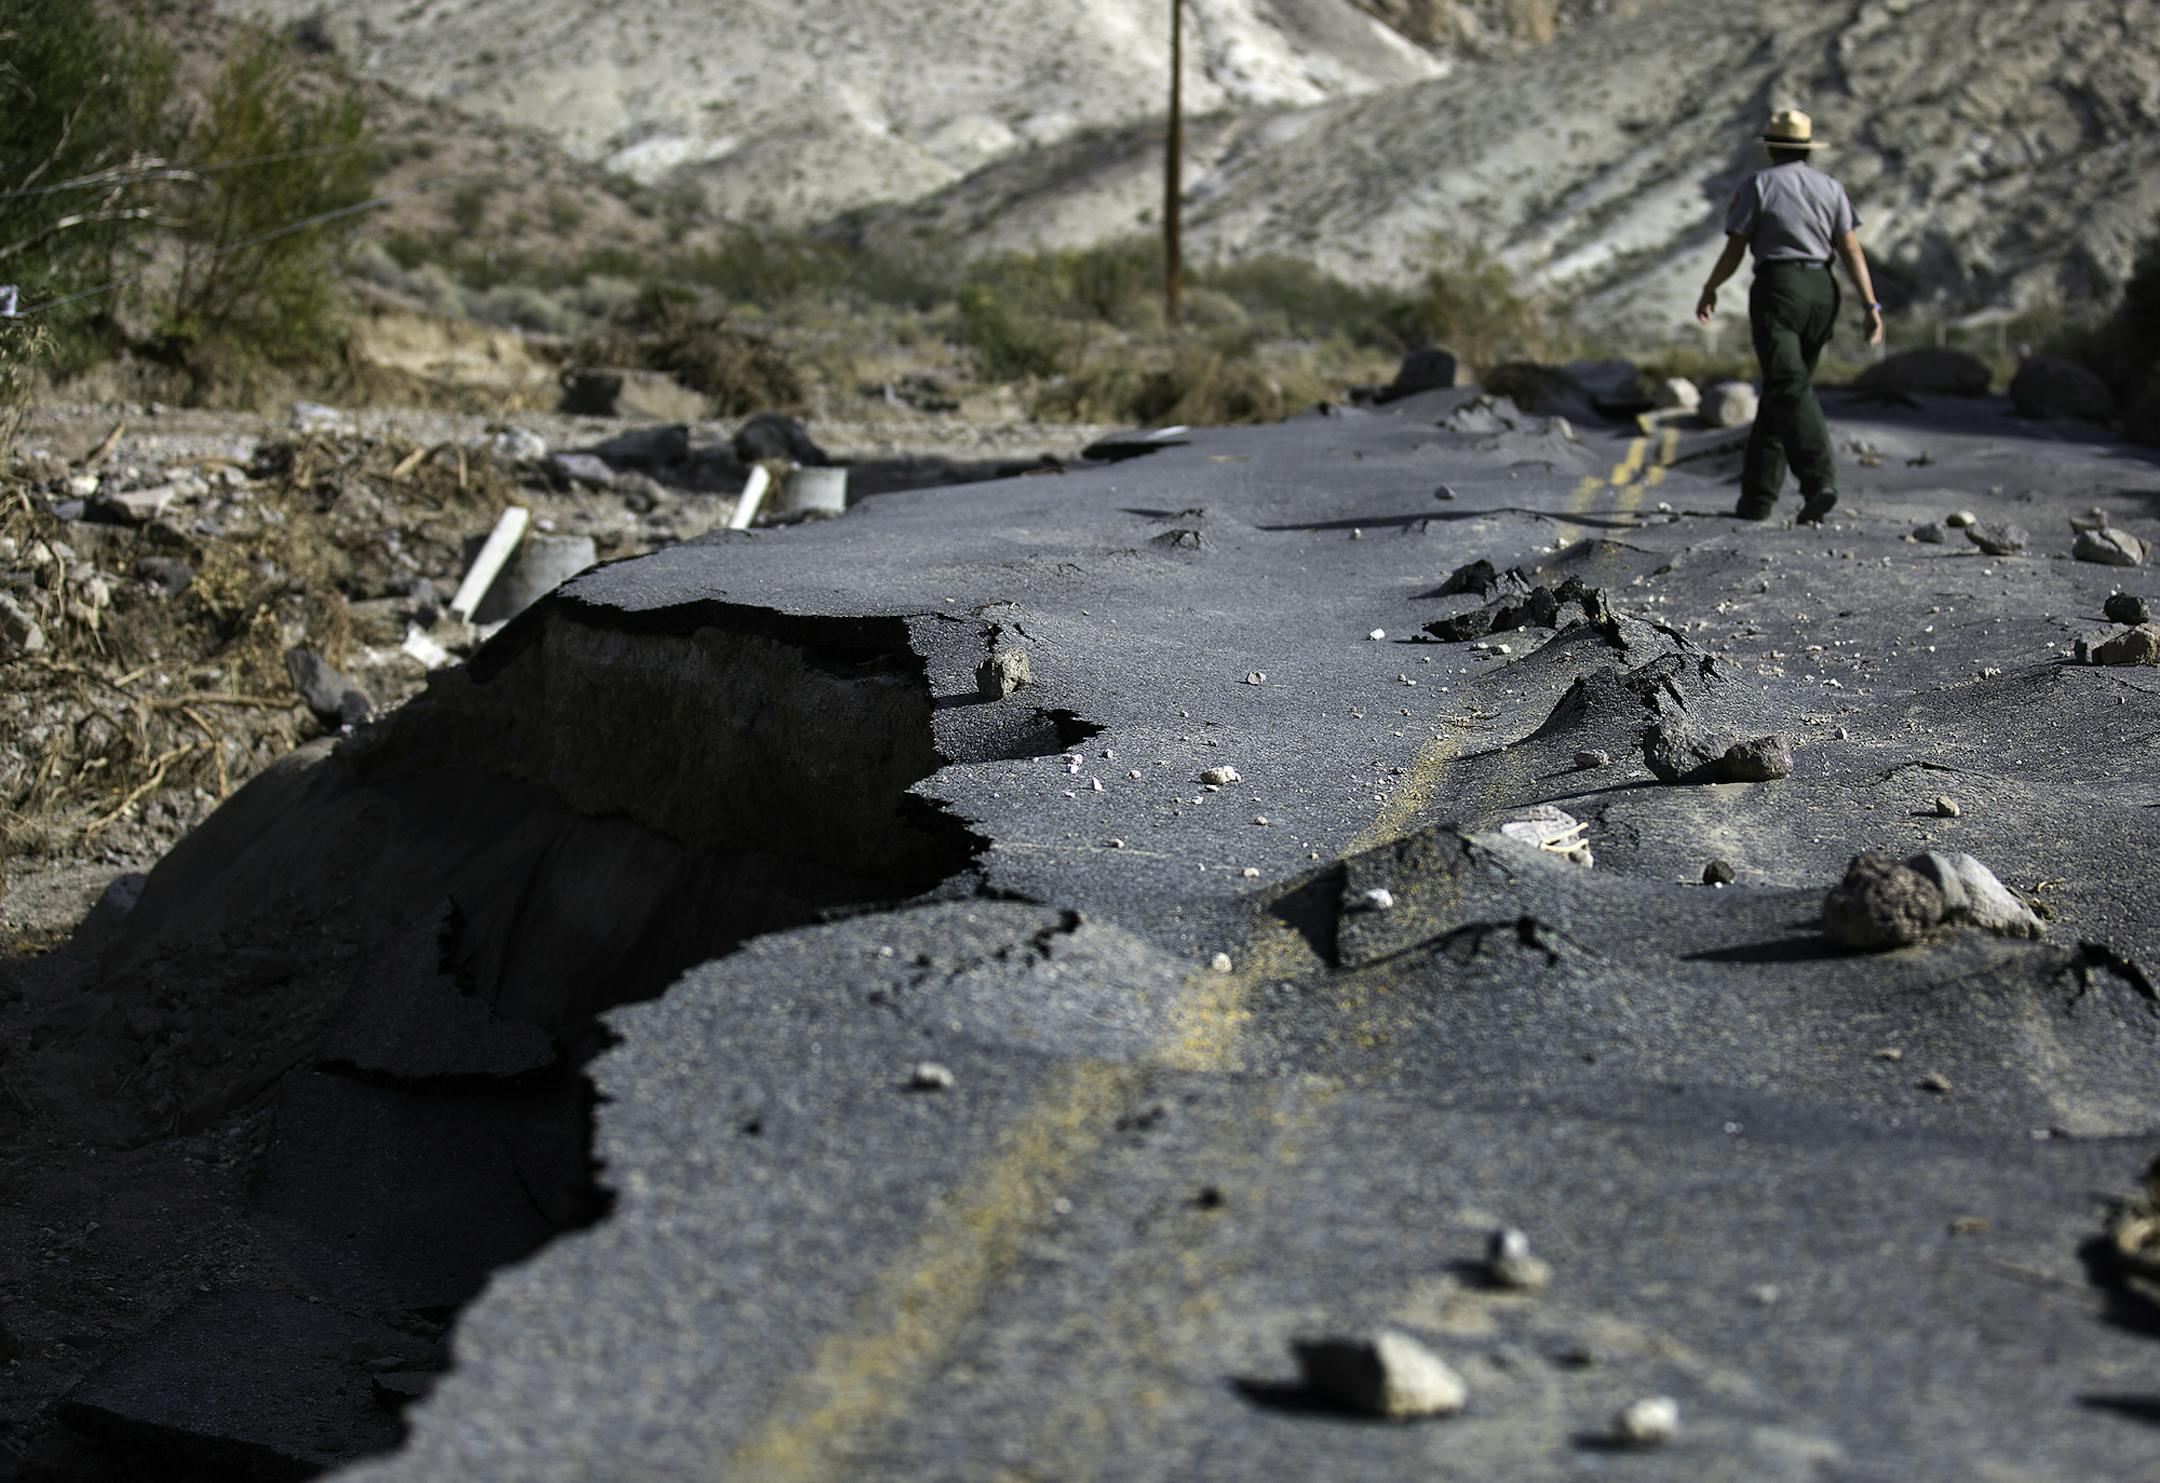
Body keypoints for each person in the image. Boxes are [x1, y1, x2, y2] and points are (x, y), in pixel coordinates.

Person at [1696, 109, 1883, 525]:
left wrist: (1711, 288)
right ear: (1807, 150)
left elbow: (1734, 248)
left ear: (1772, 148)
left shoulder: (1759, 185)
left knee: (1789, 386)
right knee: (1784, 390)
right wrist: (1871, 306)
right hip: (1823, 291)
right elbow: (1851, 250)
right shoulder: (1831, 188)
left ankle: (1819, 482)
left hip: (1778, 289)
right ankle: (1757, 499)